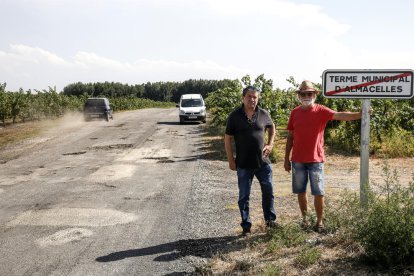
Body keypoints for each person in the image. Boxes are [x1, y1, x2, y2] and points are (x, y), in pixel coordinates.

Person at [284, 80, 367, 233]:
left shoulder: (321, 110)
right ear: (299, 96)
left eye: (309, 93)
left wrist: (361, 114)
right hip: (297, 160)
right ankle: (305, 220)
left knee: (318, 192)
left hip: (316, 160)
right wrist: (286, 159)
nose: (306, 96)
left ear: (314, 95)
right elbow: (290, 136)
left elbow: (340, 115)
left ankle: (319, 221)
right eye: (303, 93)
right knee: (301, 191)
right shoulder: (295, 112)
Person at [225, 85, 277, 236]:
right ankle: (246, 226)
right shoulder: (234, 116)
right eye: (249, 96)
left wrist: (270, 143)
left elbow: (272, 127)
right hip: (243, 164)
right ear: (243, 98)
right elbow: (227, 139)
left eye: (255, 97)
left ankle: (270, 222)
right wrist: (230, 160)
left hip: (263, 163)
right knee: (244, 196)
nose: (252, 99)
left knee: (268, 192)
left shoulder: (263, 114)